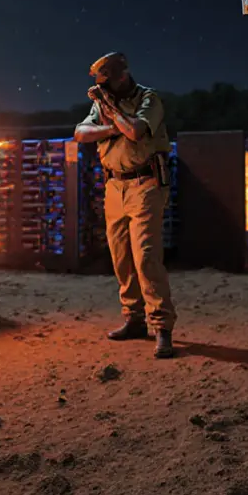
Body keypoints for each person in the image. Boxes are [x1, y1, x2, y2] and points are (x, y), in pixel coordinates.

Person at [73, 52, 176, 359]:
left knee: (145, 256)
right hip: (115, 186)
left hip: (146, 184)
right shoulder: (102, 103)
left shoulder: (148, 98)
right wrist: (111, 125)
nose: (102, 90)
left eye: (106, 84)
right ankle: (133, 318)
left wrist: (111, 113)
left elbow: (136, 130)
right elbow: (80, 133)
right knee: (120, 256)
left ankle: (162, 326)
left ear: (121, 77)